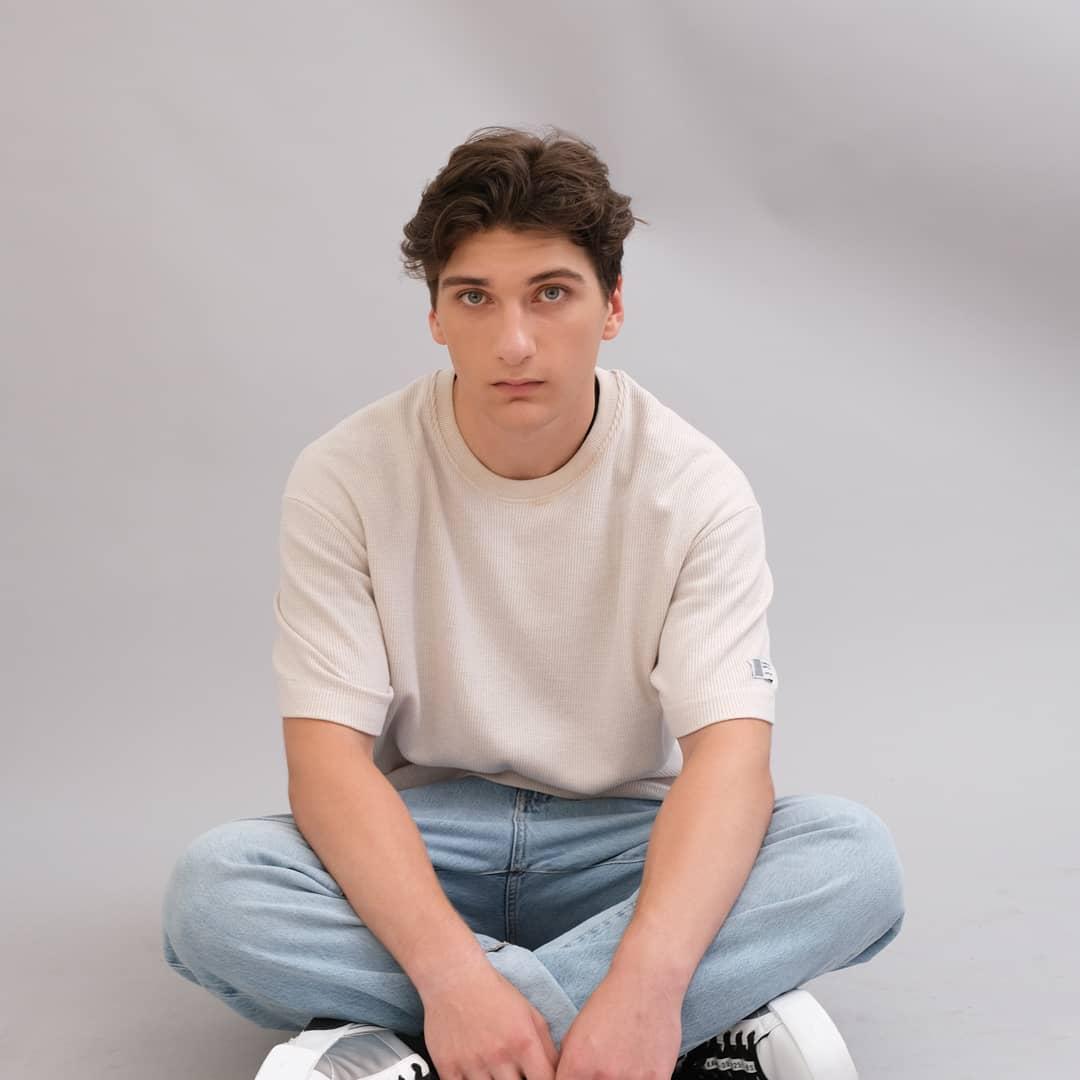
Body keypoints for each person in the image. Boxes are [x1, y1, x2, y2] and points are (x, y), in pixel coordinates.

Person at [161, 124, 906, 1080]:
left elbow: (729, 760)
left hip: (621, 844)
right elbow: (326, 762)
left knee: (851, 858)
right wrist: (453, 978)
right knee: (216, 890)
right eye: (475, 297)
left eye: (551, 293)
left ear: (612, 306)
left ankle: (409, 1049)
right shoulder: (345, 475)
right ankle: (666, 1029)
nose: (513, 342)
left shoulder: (695, 487)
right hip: (427, 840)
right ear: (436, 315)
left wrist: (646, 981)